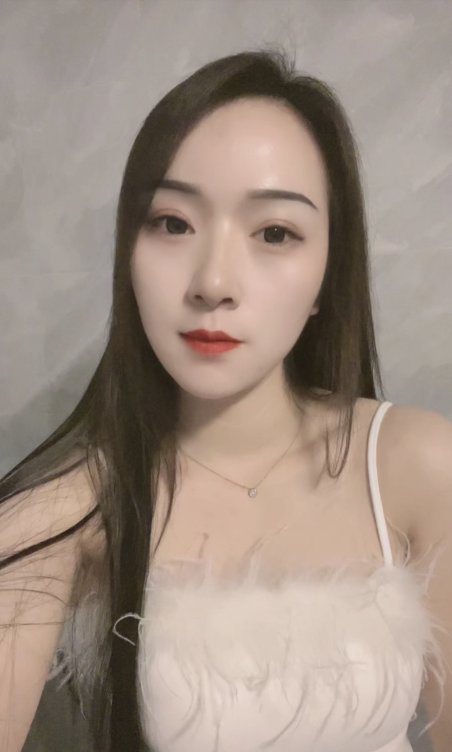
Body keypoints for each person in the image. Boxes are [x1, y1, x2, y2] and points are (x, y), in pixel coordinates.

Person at [0, 47, 451, 752]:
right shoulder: (68, 509)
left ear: (326, 275)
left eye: (275, 233)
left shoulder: (418, 465)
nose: (213, 282)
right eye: (172, 223)